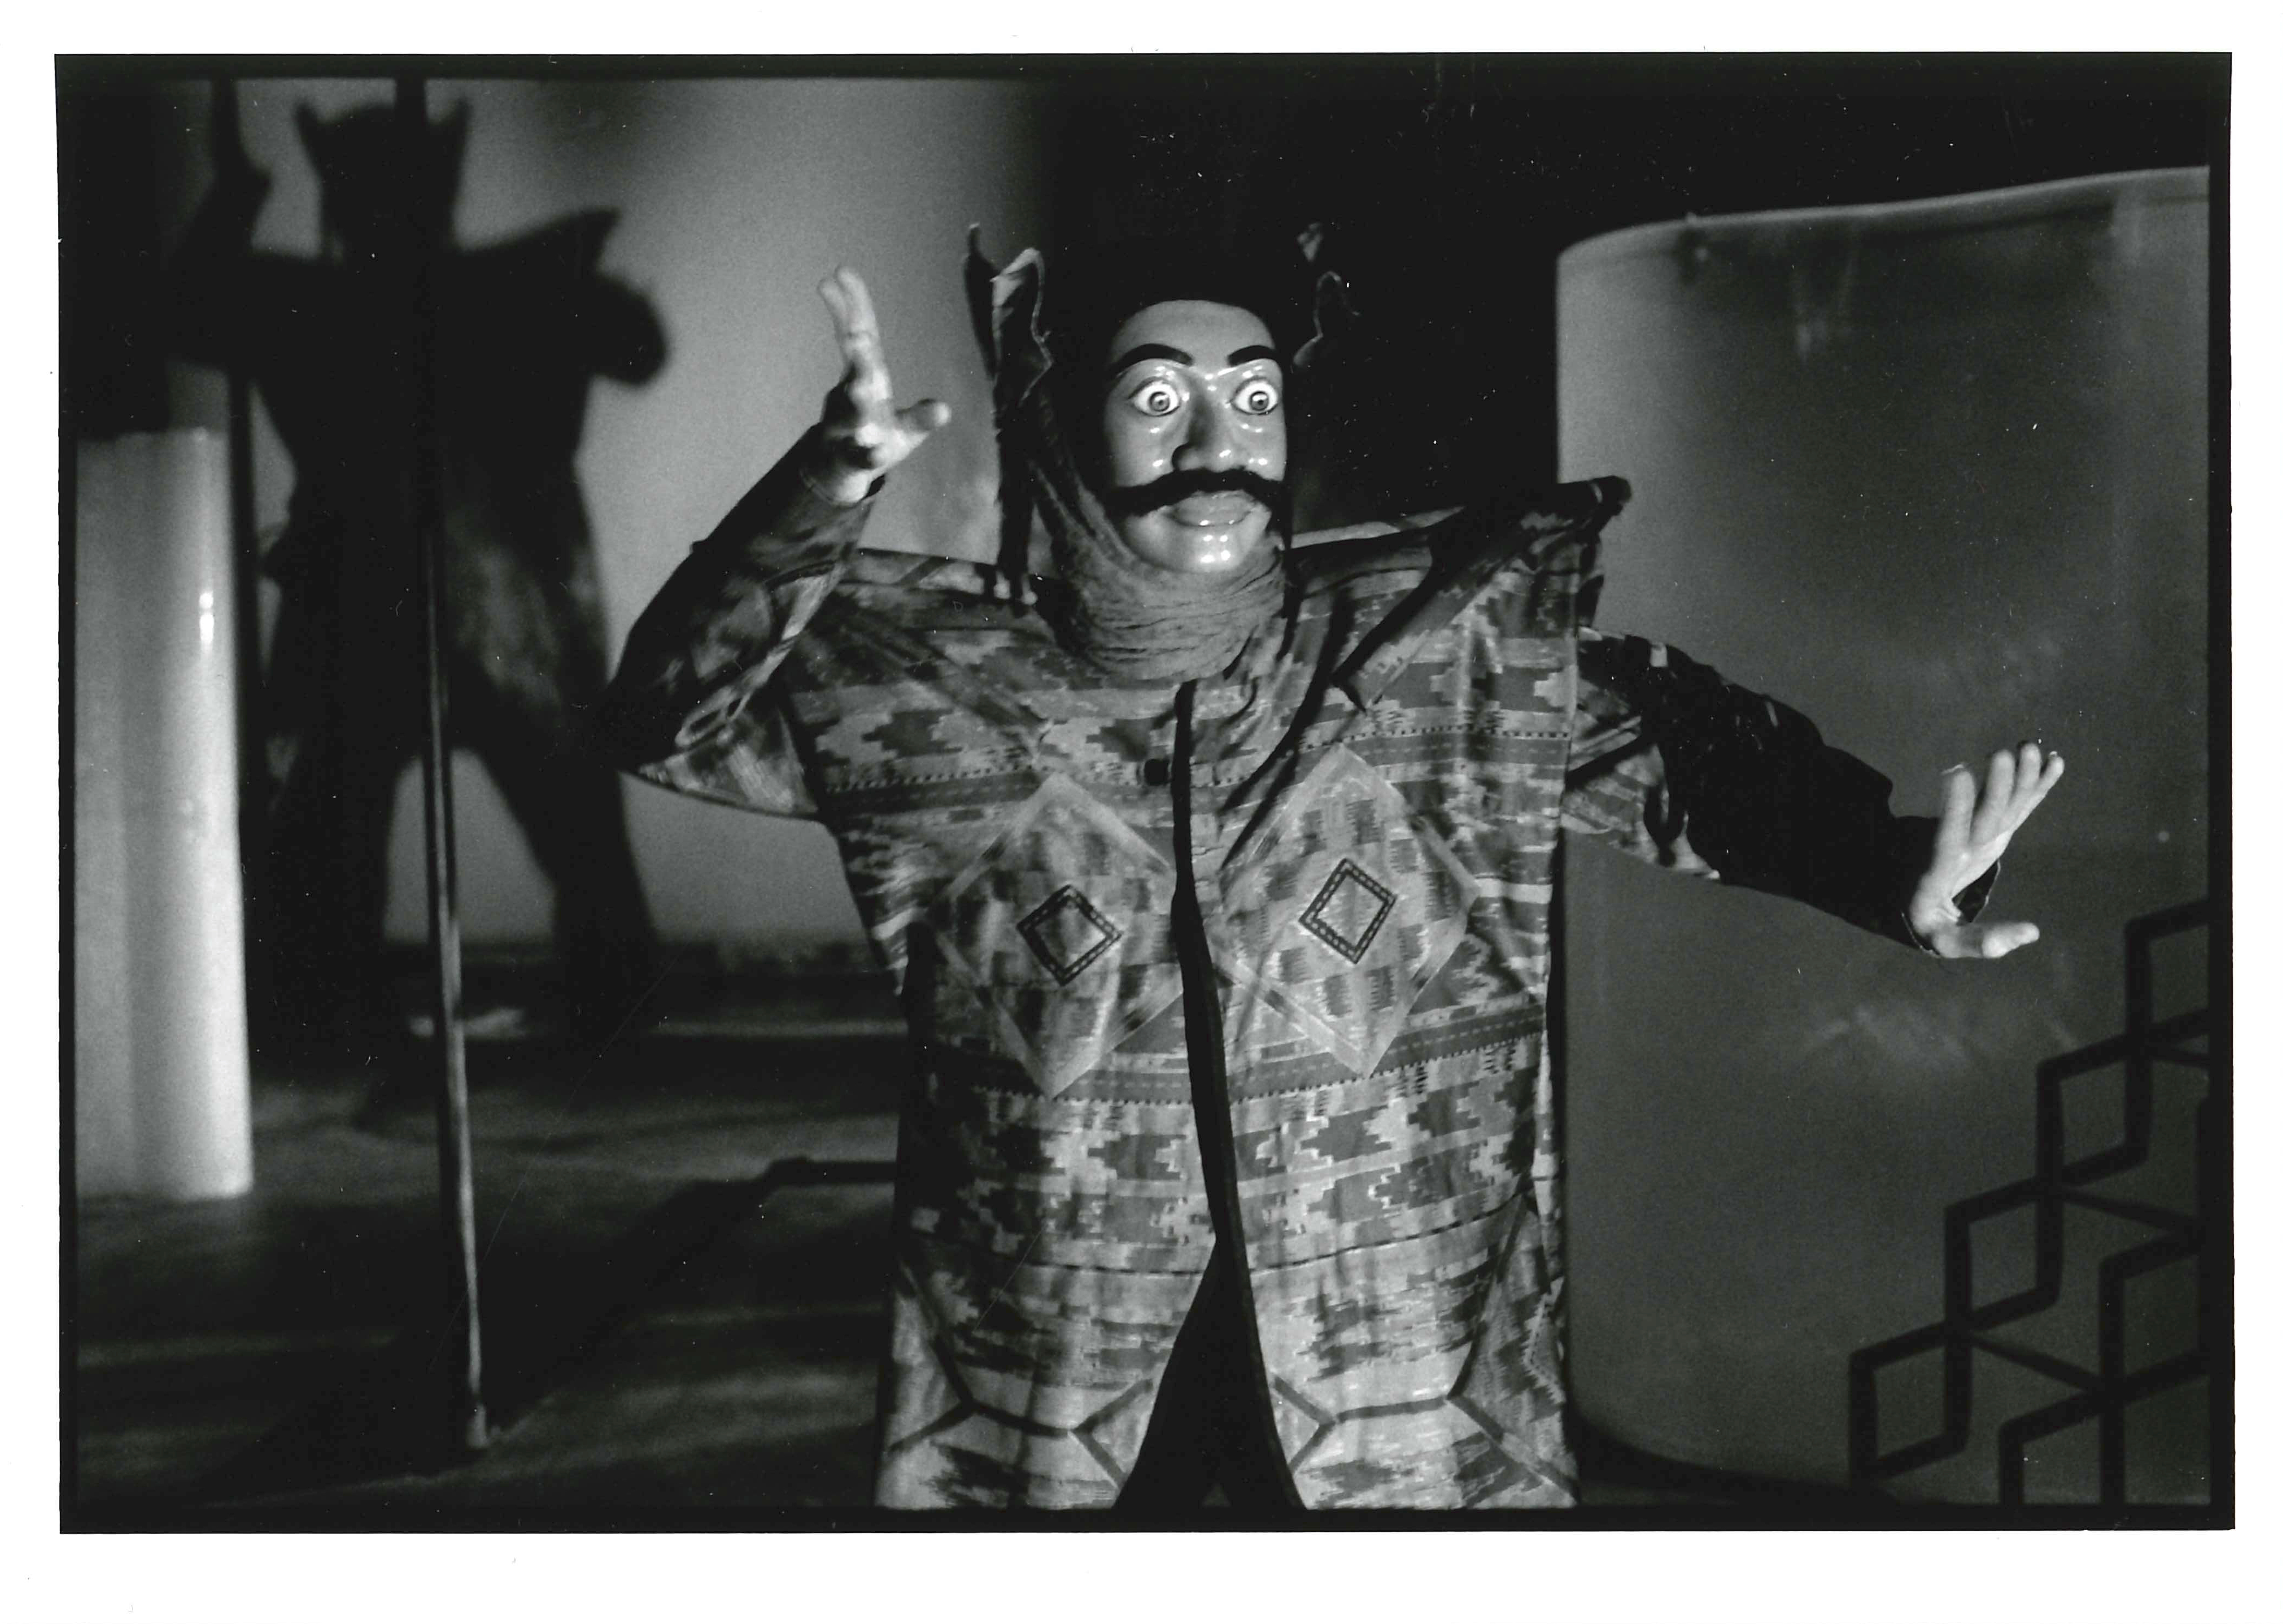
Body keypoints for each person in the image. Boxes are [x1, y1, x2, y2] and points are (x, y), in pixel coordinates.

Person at [597, 234, 2062, 1511]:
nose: (1217, 439)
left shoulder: (1418, 649)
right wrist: (826, 481)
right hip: (1056, 1362)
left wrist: (1887, 866)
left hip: (1387, 1354)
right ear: (1061, 424)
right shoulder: (937, 677)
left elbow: (1667, 749)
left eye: (1254, 396)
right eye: (1156, 399)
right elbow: (668, 721)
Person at [168, 100, 661, 1054]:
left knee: (521, 826)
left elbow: (637, 347)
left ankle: (335, 1015)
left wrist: (236, 195)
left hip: (459, 601)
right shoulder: (359, 300)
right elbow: (637, 344)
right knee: (344, 832)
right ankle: (331, 1015)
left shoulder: (316, 303)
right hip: (463, 604)